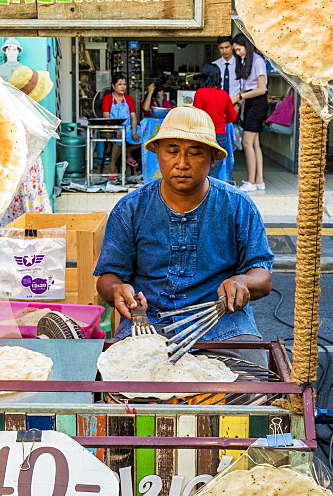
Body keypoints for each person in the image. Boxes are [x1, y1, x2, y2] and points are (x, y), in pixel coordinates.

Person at [94, 106, 273, 359]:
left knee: (253, 386)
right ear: (158, 155)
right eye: (172, 151)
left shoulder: (238, 205)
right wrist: (116, 290)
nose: (182, 164)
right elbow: (108, 276)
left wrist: (242, 282)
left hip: (222, 322)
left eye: (195, 153)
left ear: (213, 158)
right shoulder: (131, 208)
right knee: (119, 384)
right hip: (148, 321)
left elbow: (262, 276)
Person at [230, 33, 268, 193]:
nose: (238, 53)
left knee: (247, 142)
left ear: (246, 45)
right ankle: (259, 180)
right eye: (236, 51)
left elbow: (261, 89)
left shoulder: (258, 61)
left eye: (239, 49)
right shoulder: (245, 61)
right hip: (251, 102)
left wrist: (239, 96)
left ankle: (251, 181)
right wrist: (239, 101)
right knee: (254, 144)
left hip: (258, 102)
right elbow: (246, 87)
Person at [192, 63, 238, 178]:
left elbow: (196, 116)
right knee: (214, 172)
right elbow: (232, 117)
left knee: (200, 169)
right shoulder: (224, 94)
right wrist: (221, 120)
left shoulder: (200, 93)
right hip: (220, 135)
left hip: (203, 135)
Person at [102, 73, 141, 176]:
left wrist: (134, 132)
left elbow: (133, 117)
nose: (122, 87)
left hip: (127, 126)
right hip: (112, 126)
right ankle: (112, 164)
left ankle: (127, 153)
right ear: (113, 86)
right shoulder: (107, 98)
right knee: (119, 138)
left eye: (124, 84)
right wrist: (116, 128)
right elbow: (106, 116)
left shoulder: (128, 99)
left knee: (145, 136)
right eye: (119, 84)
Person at [213, 35, 237, 102]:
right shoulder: (215, 65)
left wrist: (238, 105)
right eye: (221, 48)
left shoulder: (240, 64)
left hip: (235, 103)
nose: (224, 51)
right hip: (218, 103)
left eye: (227, 47)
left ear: (232, 46)